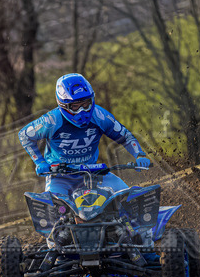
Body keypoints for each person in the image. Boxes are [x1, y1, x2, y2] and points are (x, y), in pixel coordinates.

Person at [18, 73, 151, 197]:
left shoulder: (100, 117)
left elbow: (125, 136)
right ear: (63, 105)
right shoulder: (51, 121)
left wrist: (139, 154)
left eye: (86, 103)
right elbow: (24, 135)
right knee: (53, 210)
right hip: (59, 177)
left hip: (93, 174)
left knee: (127, 196)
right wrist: (39, 162)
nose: (83, 110)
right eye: (76, 106)